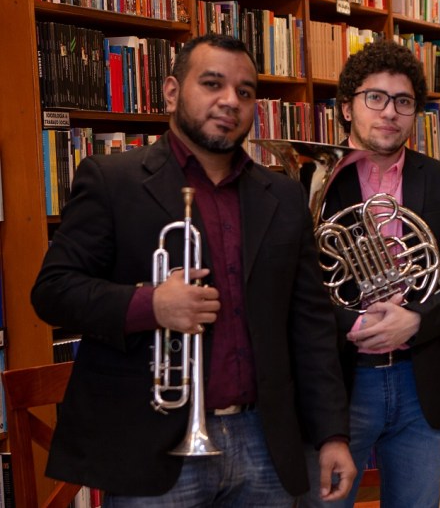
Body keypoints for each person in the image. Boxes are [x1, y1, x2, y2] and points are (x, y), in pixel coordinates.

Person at [30, 33, 356, 506]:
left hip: (264, 441)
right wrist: (151, 304)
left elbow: (311, 325)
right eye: (212, 84)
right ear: (171, 92)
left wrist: (332, 434)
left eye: (245, 91)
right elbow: (53, 291)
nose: (230, 101)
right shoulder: (112, 180)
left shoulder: (284, 196)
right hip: (152, 446)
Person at [308, 40, 440, 507]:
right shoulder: (311, 181)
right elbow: (297, 286)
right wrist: (356, 322)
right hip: (342, 381)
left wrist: (416, 319)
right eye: (375, 98)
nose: (389, 112)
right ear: (347, 107)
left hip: (418, 379)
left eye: (403, 101)